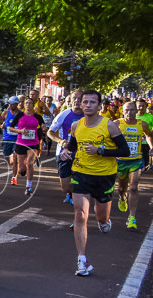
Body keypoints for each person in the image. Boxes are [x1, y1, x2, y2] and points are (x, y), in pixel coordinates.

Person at [61, 89, 131, 276]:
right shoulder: (76, 125)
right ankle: (81, 260)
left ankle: (104, 221)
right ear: (81, 104)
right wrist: (66, 151)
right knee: (80, 214)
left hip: (104, 176)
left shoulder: (109, 126)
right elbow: (73, 146)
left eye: (93, 102)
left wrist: (101, 151)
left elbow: (125, 151)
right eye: (85, 102)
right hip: (81, 173)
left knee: (101, 217)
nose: (88, 105)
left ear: (99, 106)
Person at [115, 101, 153, 231]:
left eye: (132, 110)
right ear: (122, 111)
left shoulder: (142, 124)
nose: (129, 113)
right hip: (121, 161)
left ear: (136, 111)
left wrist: (151, 147)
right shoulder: (116, 124)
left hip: (136, 160)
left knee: (134, 187)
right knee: (121, 188)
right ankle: (121, 198)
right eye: (127, 110)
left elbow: (148, 135)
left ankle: (132, 217)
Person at [48, 90, 85, 205]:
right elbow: (50, 132)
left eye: (80, 99)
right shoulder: (64, 114)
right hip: (64, 153)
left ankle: (81, 196)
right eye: (74, 98)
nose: (77, 101)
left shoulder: (89, 116)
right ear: (70, 100)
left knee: (81, 180)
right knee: (65, 187)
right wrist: (61, 141)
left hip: (83, 154)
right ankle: (72, 193)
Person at [8, 98, 42, 195]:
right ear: (24, 105)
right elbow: (10, 127)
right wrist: (20, 131)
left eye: (30, 103)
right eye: (26, 103)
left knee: (29, 163)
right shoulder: (20, 115)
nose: (28, 104)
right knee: (22, 168)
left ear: (33, 105)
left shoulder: (37, 117)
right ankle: (21, 173)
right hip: (21, 143)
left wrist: (44, 128)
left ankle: (29, 186)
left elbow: (43, 126)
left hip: (33, 143)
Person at [0, 96, 22, 184]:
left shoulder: (21, 114)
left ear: (17, 104)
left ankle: (14, 177)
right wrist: (1, 126)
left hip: (17, 139)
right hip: (7, 138)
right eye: (9, 103)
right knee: (8, 159)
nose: (10, 105)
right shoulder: (5, 113)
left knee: (15, 158)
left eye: (12, 104)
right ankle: (15, 166)